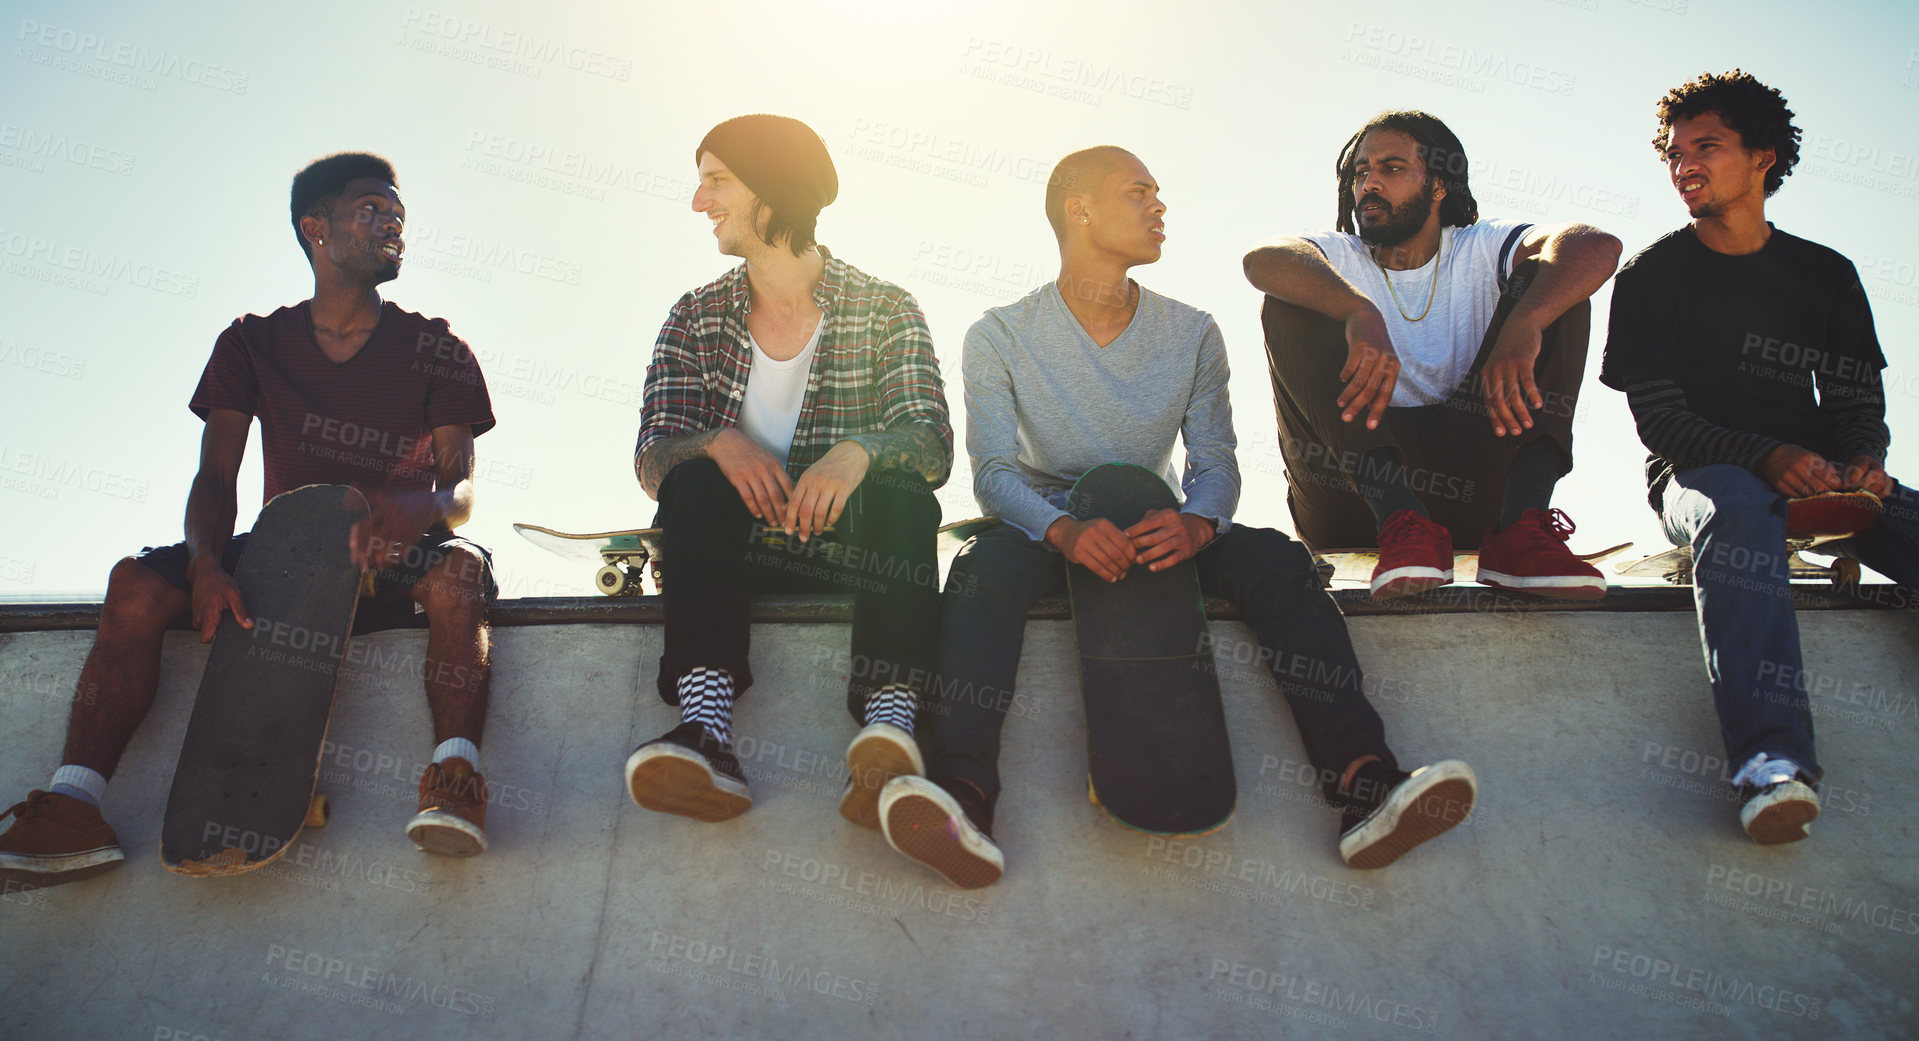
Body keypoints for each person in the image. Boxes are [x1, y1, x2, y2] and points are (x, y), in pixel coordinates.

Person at [877, 146, 1476, 889]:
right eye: (1139, 193)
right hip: (1045, 529)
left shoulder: (1192, 332)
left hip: (1160, 525)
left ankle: (1364, 786)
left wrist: (1197, 521)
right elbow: (993, 474)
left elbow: (1216, 461)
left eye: (1159, 194)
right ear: (1079, 210)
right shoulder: (998, 334)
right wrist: (1060, 529)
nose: (1160, 208)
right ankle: (963, 796)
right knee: (978, 571)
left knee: (1278, 562)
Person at [0, 153, 500, 886]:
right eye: (371, 209)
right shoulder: (250, 341)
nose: (392, 224)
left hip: (392, 556)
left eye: (399, 215)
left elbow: (460, 491)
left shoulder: (437, 345)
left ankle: (457, 778)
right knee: (136, 582)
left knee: (462, 572)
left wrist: (423, 507)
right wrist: (206, 565)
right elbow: (215, 474)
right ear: (315, 229)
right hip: (284, 562)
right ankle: (75, 804)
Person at [1601, 70, 1919, 844]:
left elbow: (1853, 406)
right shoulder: (1650, 276)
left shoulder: (1825, 273)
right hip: (1696, 477)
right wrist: (1763, 454)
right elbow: (1662, 423)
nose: (1684, 166)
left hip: (1814, 474)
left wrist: (1863, 460)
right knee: (1736, 508)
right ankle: (1770, 763)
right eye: (1674, 154)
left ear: (1762, 157)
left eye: (1705, 147)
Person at [629, 114, 952, 830]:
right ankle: (706, 731)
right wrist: (718, 441)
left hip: (853, 563)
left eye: (716, 181)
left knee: (900, 488)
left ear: (770, 192)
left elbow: (929, 443)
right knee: (695, 474)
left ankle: (890, 730)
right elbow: (654, 455)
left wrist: (858, 448)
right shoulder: (695, 315)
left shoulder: (884, 308)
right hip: (725, 561)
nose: (698, 201)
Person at [1245, 111, 1622, 599]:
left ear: (1440, 185)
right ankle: (1402, 519)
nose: (1370, 183)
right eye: (1361, 172)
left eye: (1392, 168)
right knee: (1288, 300)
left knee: (1558, 288)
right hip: (1352, 502)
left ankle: (1523, 530)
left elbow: (1595, 245)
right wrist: (1357, 310)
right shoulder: (1337, 256)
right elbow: (1262, 258)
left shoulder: (1479, 247)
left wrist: (1525, 323)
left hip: (1472, 488)